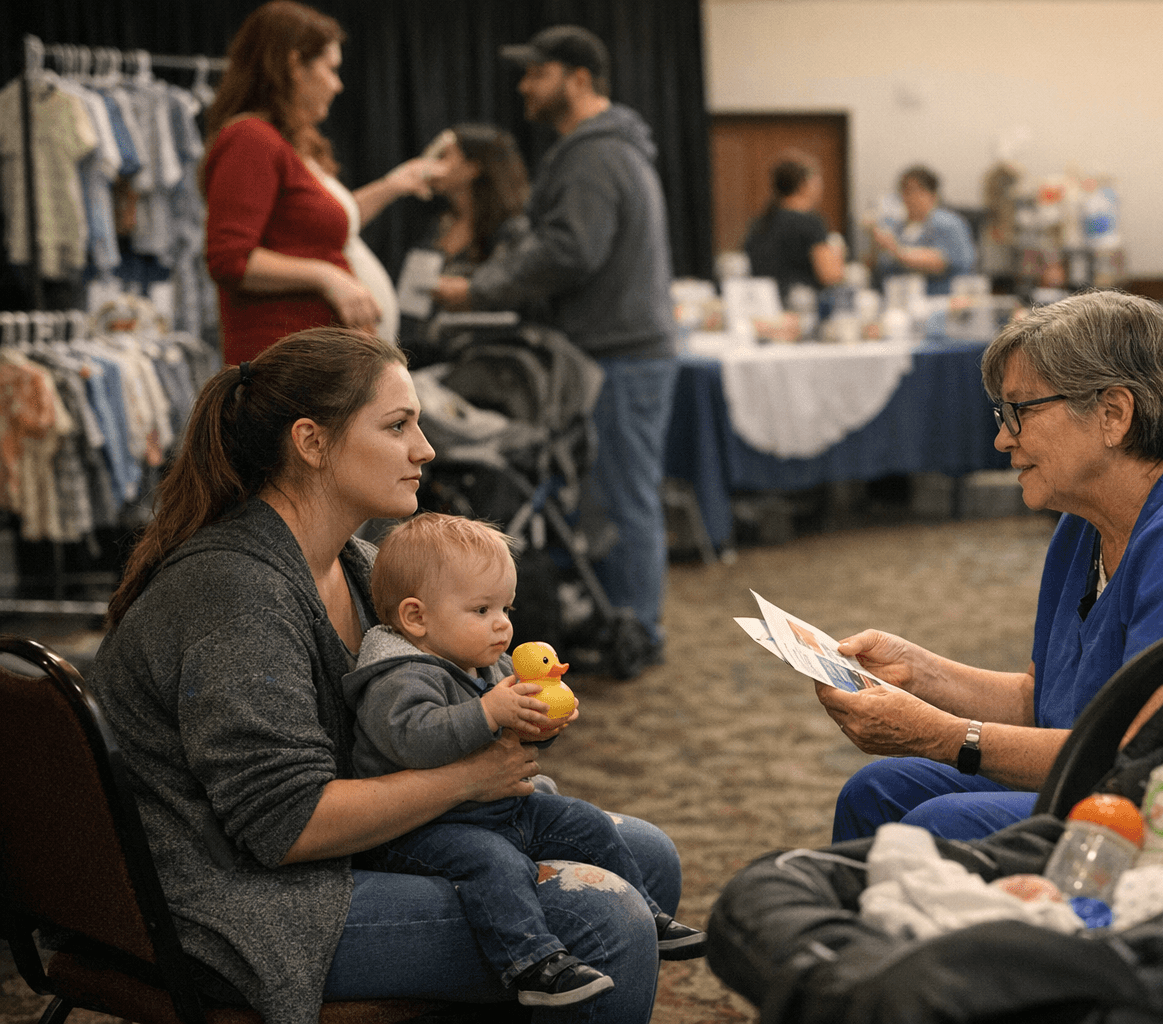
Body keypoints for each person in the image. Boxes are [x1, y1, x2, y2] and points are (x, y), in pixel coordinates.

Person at [88, 327, 686, 1024]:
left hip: (333, 858)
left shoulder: (357, 563)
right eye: (398, 425)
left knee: (649, 858)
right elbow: (286, 827)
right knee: (606, 919)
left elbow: (434, 712)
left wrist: (514, 708)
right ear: (311, 443)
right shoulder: (237, 596)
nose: (426, 449)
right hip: (233, 905)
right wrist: (468, 778)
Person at [817, 291, 1163, 843]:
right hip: (1140, 780)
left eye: (1021, 411)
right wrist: (917, 672)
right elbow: (1051, 704)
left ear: (1113, 413)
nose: (1002, 438)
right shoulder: (1088, 520)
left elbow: (1146, 756)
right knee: (878, 791)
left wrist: (946, 737)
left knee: (939, 827)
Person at [343, 512, 704, 1007]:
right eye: (482, 609)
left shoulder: (483, 660)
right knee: (495, 864)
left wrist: (541, 725)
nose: (502, 624)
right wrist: (488, 712)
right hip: (421, 830)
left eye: (506, 609)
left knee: (586, 821)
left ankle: (648, 914)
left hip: (497, 809)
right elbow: (412, 739)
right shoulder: (398, 675)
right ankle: (532, 963)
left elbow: (513, 743)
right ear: (416, 618)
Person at [438, 25, 677, 660]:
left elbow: (572, 250)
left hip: (619, 355)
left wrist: (479, 290)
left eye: (535, 73)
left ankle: (635, 634)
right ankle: (624, 626)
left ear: (576, 79)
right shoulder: (600, 149)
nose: (524, 86)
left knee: (623, 502)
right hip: (618, 352)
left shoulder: (595, 153)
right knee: (616, 499)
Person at [202, 0, 439, 362]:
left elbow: (320, 224)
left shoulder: (291, 144)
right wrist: (327, 277)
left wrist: (393, 185)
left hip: (316, 361)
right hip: (284, 365)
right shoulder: (251, 138)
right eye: (331, 69)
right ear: (295, 65)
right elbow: (229, 258)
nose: (338, 85)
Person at [394, 123, 530, 361]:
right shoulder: (438, 225)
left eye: (444, 156)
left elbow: (514, 296)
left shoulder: (512, 230)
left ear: (473, 168)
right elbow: (411, 303)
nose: (431, 165)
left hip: (483, 358)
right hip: (422, 354)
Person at [742, 151, 845, 303]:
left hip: (764, 304)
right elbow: (830, 275)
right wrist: (838, 253)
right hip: (800, 307)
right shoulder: (810, 223)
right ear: (804, 185)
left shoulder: (760, 223)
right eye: (817, 180)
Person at [865, 164, 977, 295]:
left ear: (933, 195)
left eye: (918, 191)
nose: (911, 198)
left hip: (939, 299)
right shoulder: (898, 226)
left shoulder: (946, 223)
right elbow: (882, 267)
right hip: (897, 298)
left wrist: (897, 251)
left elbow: (940, 262)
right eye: (906, 191)